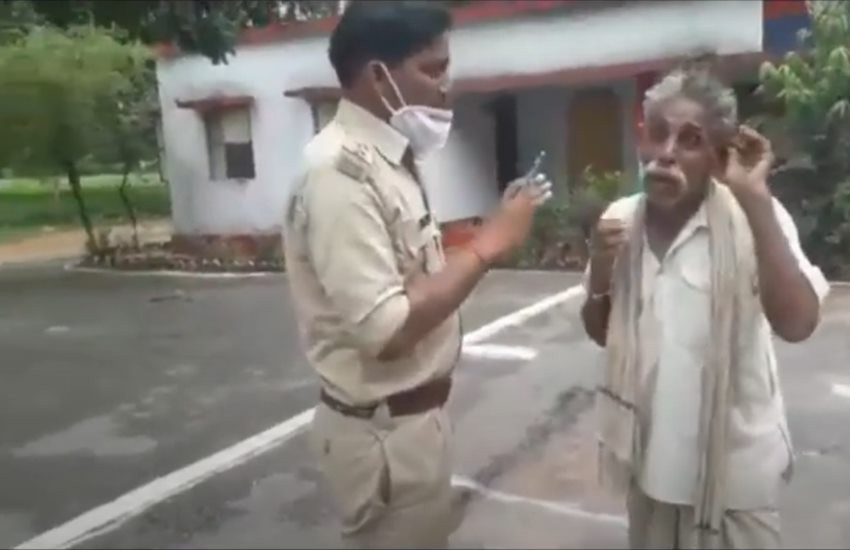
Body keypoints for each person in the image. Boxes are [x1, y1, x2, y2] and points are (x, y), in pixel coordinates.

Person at [282, 2, 551, 548]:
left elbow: (414, 274)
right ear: (378, 75)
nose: (446, 86)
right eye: (432, 69)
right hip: (382, 437)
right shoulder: (341, 176)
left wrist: (488, 229)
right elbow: (386, 330)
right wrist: (491, 243)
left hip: (409, 427)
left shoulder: (388, 160)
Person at [581, 59, 830, 549]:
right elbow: (599, 331)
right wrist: (601, 274)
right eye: (658, 133)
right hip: (648, 475)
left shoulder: (752, 216)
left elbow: (798, 323)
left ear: (718, 157)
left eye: (690, 140)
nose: (666, 153)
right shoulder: (620, 221)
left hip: (736, 483)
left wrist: (755, 199)